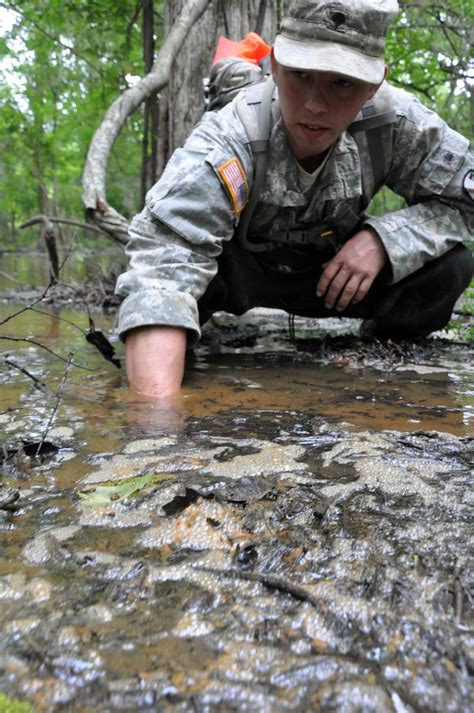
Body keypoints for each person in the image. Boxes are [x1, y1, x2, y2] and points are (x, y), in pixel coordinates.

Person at [115, 0, 473, 398]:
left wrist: (384, 240)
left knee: (450, 266)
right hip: (236, 275)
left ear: (374, 84)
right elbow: (164, 264)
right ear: (274, 66)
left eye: (342, 82)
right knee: (164, 306)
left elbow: (466, 198)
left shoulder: (396, 122)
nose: (315, 104)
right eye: (300, 75)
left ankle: (382, 344)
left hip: (333, 275)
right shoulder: (229, 136)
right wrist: (154, 427)